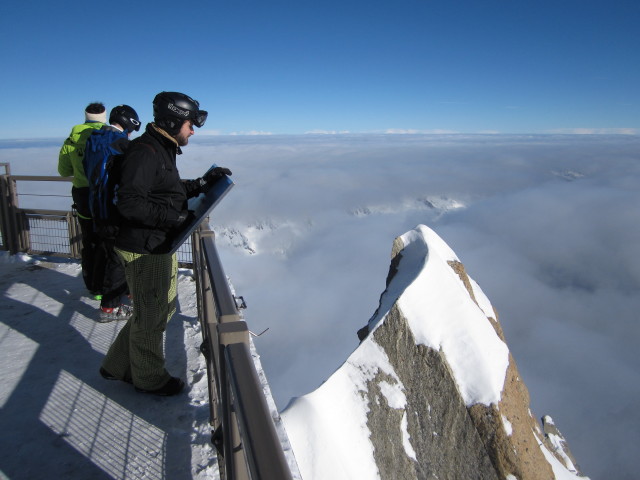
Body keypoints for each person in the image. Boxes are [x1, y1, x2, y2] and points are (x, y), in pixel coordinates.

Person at [100, 91, 232, 396]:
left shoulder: (160, 148)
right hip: (145, 248)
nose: (192, 130)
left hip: (155, 243)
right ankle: (148, 378)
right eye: (189, 124)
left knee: (155, 309)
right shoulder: (145, 153)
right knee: (152, 315)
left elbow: (164, 192)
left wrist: (201, 183)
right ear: (173, 121)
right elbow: (130, 204)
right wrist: (174, 218)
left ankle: (117, 364)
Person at [83, 105, 141, 322]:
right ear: (129, 124)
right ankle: (109, 308)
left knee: (108, 252)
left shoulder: (94, 138)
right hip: (113, 208)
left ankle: (123, 293)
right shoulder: (121, 144)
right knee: (118, 257)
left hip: (96, 204)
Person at [58, 102, 107, 296]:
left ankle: (94, 287)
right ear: (104, 116)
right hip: (104, 196)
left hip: (82, 196)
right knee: (108, 241)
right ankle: (109, 286)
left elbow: (63, 171)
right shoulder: (107, 136)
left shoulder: (71, 140)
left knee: (89, 241)